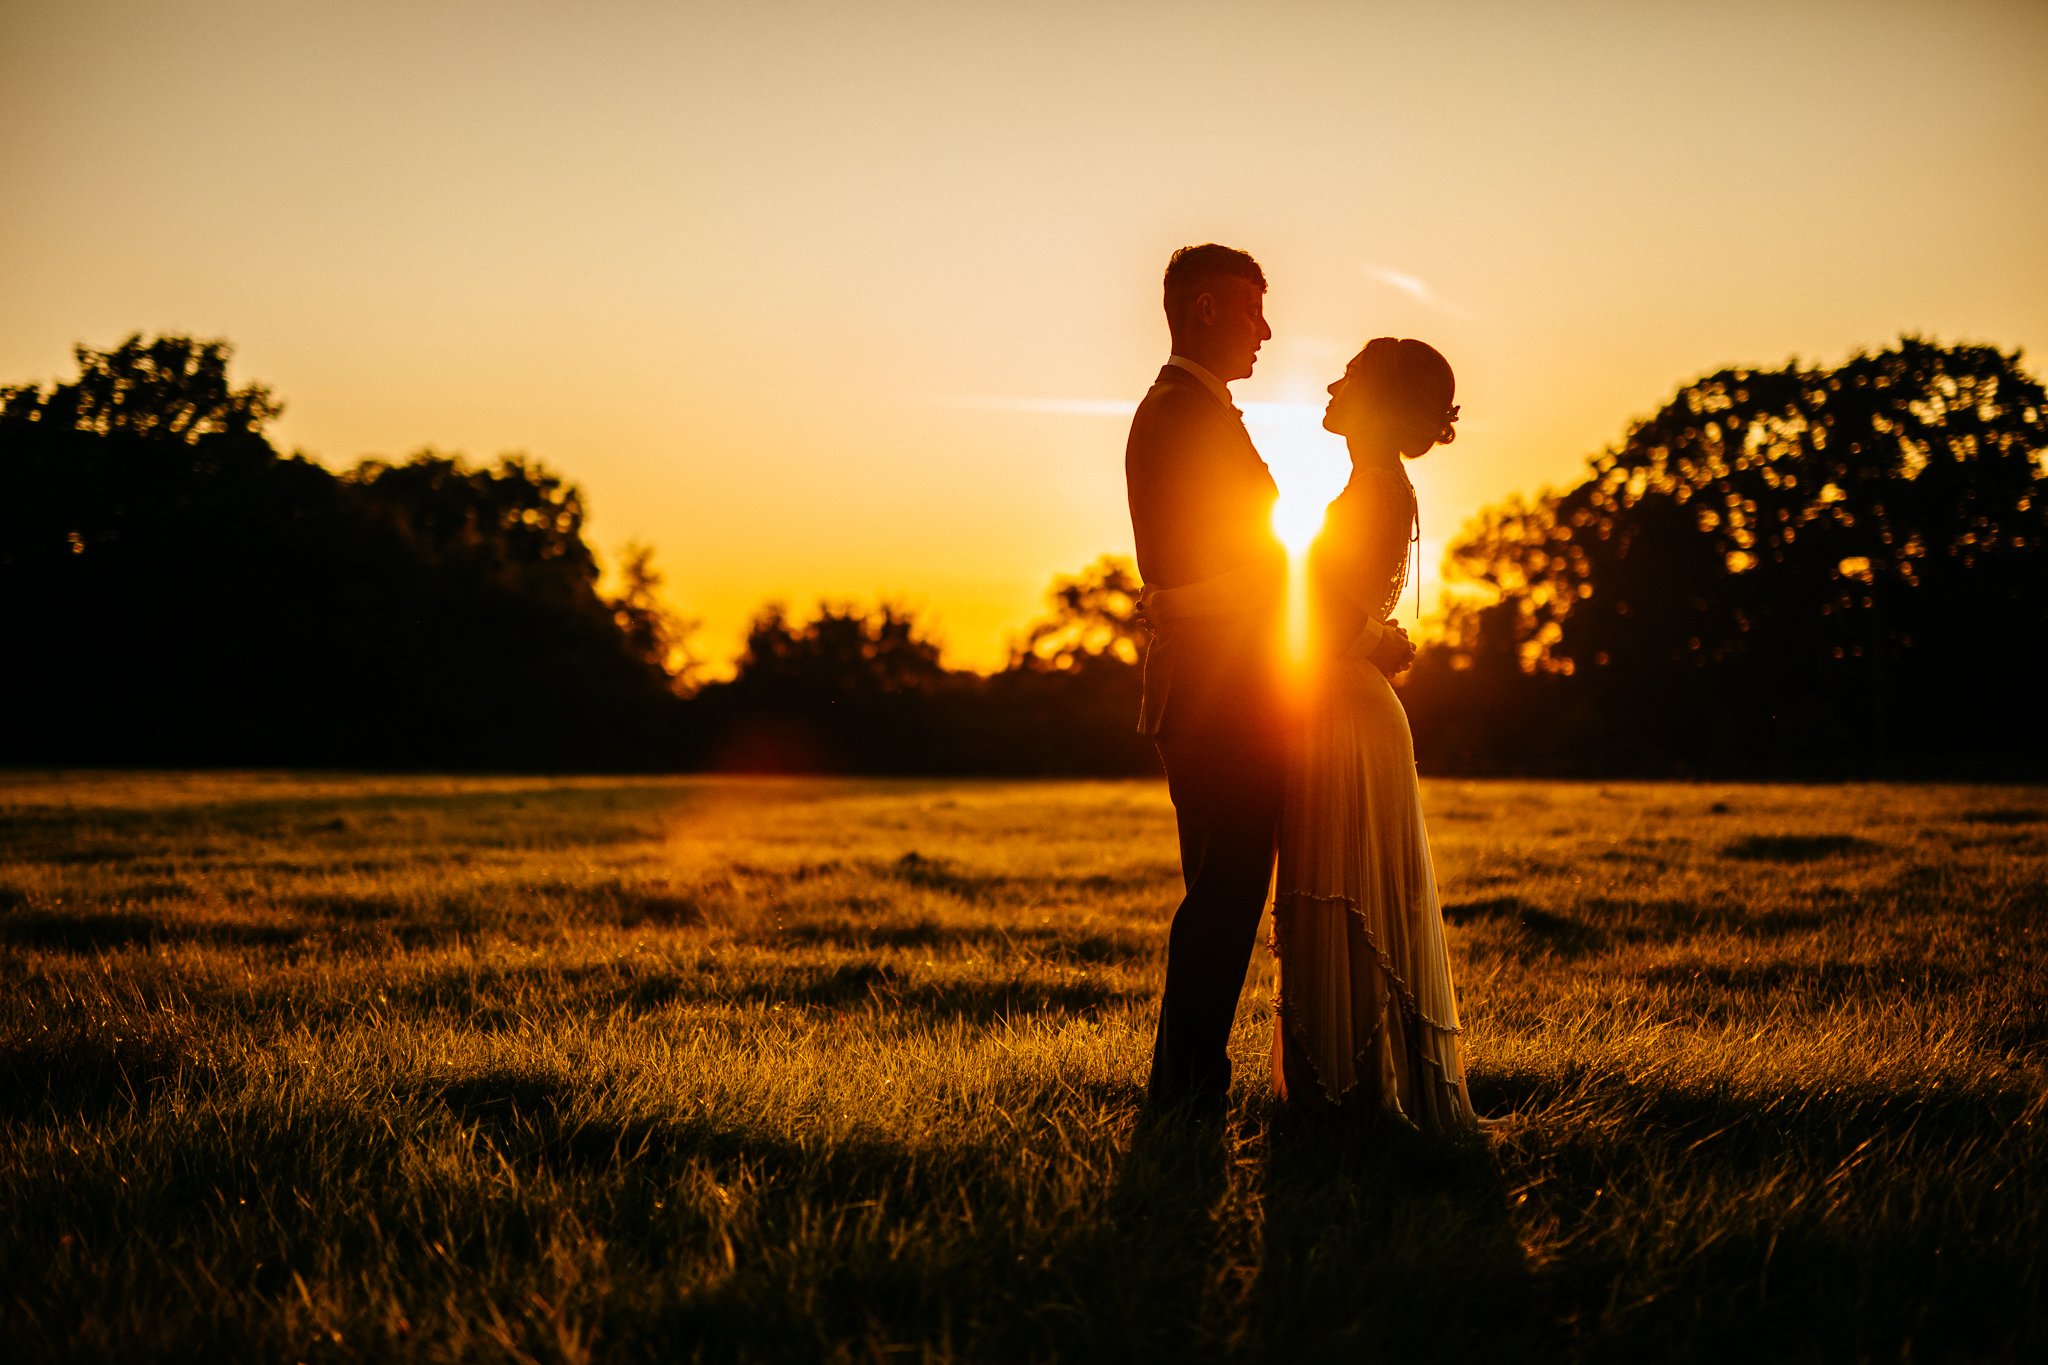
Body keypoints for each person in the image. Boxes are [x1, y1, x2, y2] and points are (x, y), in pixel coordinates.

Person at [1124, 245, 1413, 1115]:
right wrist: (1362, 631)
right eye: (1254, 309)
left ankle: (1189, 1089)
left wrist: (1180, 600)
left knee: (1229, 892)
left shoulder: (1196, 412)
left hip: (1219, 690)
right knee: (1224, 897)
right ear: (1207, 310)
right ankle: (1184, 1094)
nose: (1267, 328)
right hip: (1217, 700)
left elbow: (1230, 571)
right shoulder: (1183, 414)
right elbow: (1249, 570)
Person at [1267, 336, 1480, 1129]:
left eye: (1349, 375)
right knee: (1340, 888)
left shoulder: (1376, 492)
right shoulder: (1374, 485)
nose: (1330, 383)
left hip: (1344, 712)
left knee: (1340, 889)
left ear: (1381, 402)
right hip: (1349, 703)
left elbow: (1320, 623)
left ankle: (1347, 1101)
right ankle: (1342, 1094)